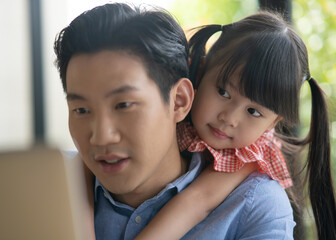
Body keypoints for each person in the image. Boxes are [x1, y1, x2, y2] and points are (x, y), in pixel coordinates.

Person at [54, 3, 295, 239]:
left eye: (124, 105)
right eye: (82, 109)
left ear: (180, 101)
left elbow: (200, 200)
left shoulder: (255, 202)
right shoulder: (41, 186)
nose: (101, 136)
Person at [135, 11, 336, 240]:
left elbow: (196, 202)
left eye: (253, 111)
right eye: (223, 92)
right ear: (201, 70)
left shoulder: (250, 170)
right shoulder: (167, 112)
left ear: (273, 123)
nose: (229, 118)